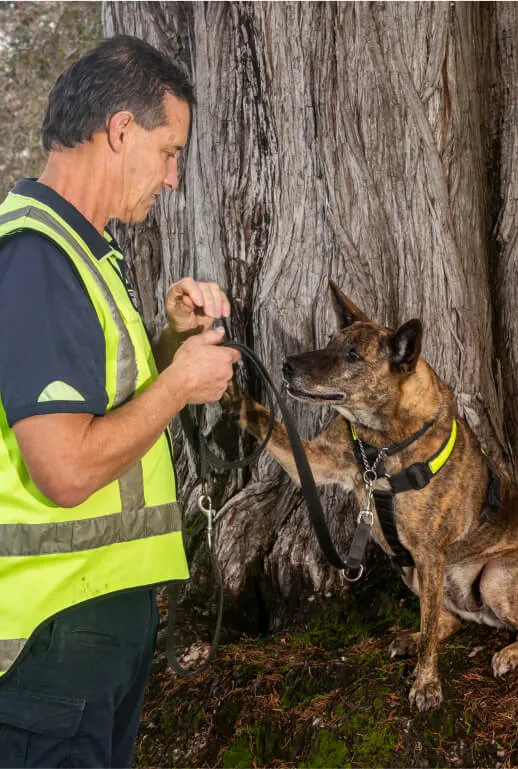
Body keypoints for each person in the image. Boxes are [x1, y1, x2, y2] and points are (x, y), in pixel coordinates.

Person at [0, 35, 241, 768]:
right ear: (120, 130)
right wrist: (179, 386)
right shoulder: (37, 257)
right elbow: (66, 468)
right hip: (52, 636)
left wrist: (171, 345)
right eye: (169, 152)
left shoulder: (84, 251)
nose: (173, 178)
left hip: (96, 624)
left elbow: (101, 417)